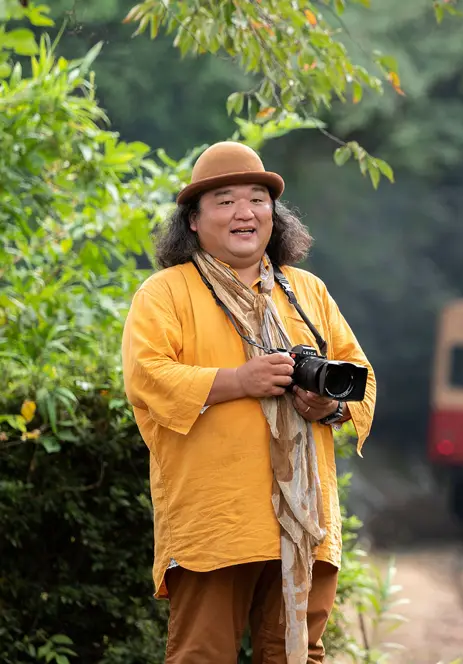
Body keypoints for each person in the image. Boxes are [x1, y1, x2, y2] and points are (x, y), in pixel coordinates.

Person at [121, 141, 376, 664]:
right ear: (192, 220)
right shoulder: (165, 293)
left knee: (298, 656)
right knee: (201, 656)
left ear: (274, 214)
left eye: (258, 199)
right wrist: (241, 380)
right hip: (217, 521)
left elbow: (361, 376)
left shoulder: (307, 290)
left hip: (304, 525)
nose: (246, 212)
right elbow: (149, 377)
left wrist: (324, 407)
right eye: (226, 200)